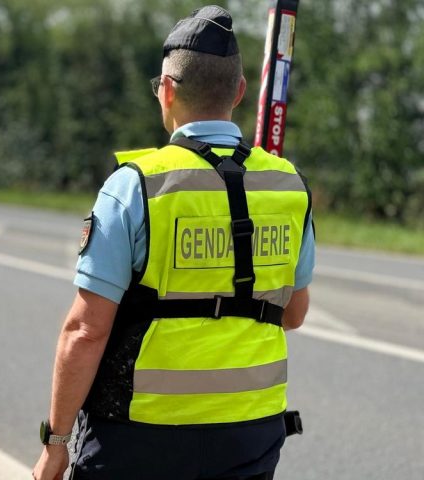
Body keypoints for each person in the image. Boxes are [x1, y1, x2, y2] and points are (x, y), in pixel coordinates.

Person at [32, 5, 315, 480]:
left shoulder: (135, 186)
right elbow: (294, 314)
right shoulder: (288, 187)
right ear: (240, 92)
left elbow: (86, 331)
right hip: (252, 435)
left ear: (165, 91)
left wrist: (56, 444)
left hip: (141, 436)